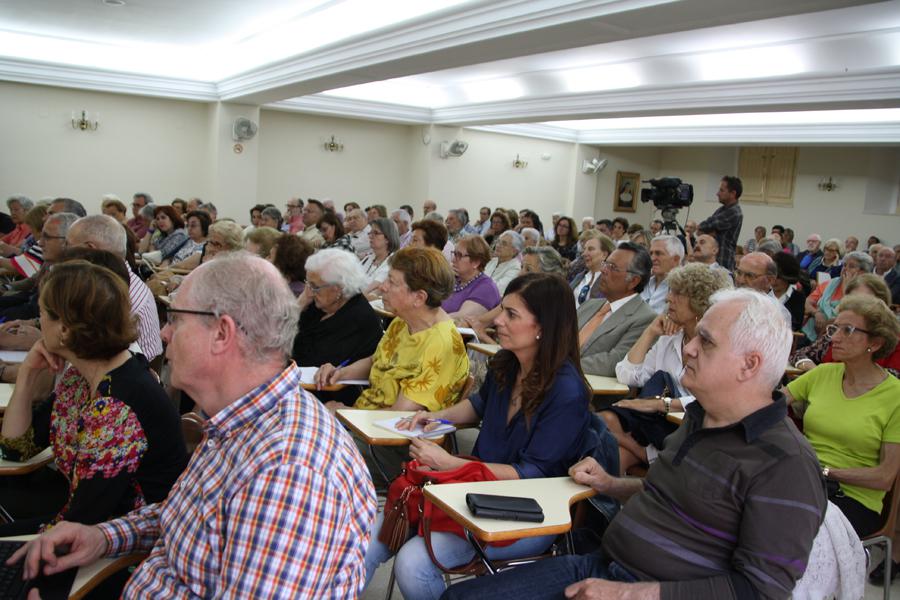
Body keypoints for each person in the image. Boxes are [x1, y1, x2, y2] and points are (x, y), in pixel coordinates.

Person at [10, 252, 377, 598]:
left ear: (221, 333)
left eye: (175, 319)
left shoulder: (287, 472)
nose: (164, 334)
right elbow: (189, 517)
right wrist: (104, 537)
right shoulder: (238, 422)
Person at [445, 289, 826, 600]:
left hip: (643, 590)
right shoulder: (701, 418)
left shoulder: (784, 464)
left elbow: (760, 591)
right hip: (604, 567)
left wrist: (631, 593)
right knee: (458, 598)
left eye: (706, 341)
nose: (689, 348)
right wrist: (611, 484)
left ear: (749, 365)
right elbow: (670, 493)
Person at [364, 273, 603, 600]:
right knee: (367, 538)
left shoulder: (566, 391)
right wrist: (436, 416)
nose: (498, 321)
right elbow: (478, 405)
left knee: (413, 564)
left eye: (511, 314)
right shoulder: (508, 364)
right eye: (502, 310)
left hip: (528, 513)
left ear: (543, 327)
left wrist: (449, 464)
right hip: (472, 493)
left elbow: (531, 475)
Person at [0, 260, 187, 535]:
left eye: (42, 315)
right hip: (86, 521)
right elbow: (16, 449)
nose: (39, 323)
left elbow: (82, 521)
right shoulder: (82, 376)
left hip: (120, 543)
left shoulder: (117, 404)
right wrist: (27, 374)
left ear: (64, 330)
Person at [315, 247, 469, 480]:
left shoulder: (441, 343)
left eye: (392, 282)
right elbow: (377, 361)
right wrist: (340, 373)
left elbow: (398, 415)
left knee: (309, 454)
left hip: (392, 445)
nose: (382, 287)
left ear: (419, 298)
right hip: (363, 425)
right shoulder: (402, 322)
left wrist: (344, 413)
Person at [785, 295, 900, 537]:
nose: (834, 338)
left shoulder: (895, 396)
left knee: (781, 521)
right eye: (834, 328)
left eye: (847, 330)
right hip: (803, 480)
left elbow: (885, 477)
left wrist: (825, 471)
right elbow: (767, 406)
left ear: (875, 343)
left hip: (853, 498)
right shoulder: (823, 373)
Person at [606, 263, 732, 472]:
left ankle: (644, 454)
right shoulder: (670, 338)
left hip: (694, 428)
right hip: (658, 425)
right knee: (605, 426)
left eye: (677, 293)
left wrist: (661, 404)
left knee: (611, 440)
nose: (667, 298)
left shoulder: (719, 346)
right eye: (670, 291)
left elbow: (720, 398)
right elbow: (627, 375)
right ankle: (642, 455)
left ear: (700, 301)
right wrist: (650, 332)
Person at [65, 215, 163, 361]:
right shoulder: (116, 282)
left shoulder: (112, 295)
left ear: (89, 249)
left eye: (68, 245)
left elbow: (89, 358)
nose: (65, 252)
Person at [292, 249, 383, 405]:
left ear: (338, 288)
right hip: (297, 387)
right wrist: (300, 302)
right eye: (307, 283)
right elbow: (276, 336)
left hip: (328, 396)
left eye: (314, 286)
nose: (309, 291)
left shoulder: (359, 318)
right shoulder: (316, 304)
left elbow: (317, 363)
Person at [790, 274, 898, 375]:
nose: (855, 305)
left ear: (882, 304)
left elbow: (891, 378)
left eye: (864, 301)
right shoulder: (837, 328)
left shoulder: (893, 339)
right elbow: (799, 354)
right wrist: (818, 372)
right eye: (850, 299)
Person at [578, 242, 656, 376]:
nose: (603, 270)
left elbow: (614, 362)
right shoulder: (590, 305)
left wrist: (560, 365)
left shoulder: (645, 318)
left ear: (634, 281)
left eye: (612, 267)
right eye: (605, 264)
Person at [465, 246, 567, 344]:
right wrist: (465, 323)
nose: (520, 274)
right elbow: (481, 321)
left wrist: (483, 337)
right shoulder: (517, 296)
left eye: (528, 270)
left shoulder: (547, 310)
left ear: (546, 276)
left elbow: (516, 354)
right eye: (522, 267)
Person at [802, 250, 874, 341]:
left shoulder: (865, 291)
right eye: (844, 265)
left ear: (862, 272)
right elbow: (807, 303)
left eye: (851, 266)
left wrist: (847, 289)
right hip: (810, 330)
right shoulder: (830, 283)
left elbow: (848, 315)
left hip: (841, 336)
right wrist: (816, 313)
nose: (845, 269)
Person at [444, 234, 500, 322]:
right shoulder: (454, 278)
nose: (453, 260)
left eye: (459, 255)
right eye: (454, 254)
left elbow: (461, 318)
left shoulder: (486, 288)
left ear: (476, 262)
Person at [698, 175, 743, 271]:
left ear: (733, 193)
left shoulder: (734, 212)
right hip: (714, 262)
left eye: (722, 190)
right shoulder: (721, 210)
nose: (717, 194)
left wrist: (709, 232)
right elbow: (701, 229)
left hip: (722, 263)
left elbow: (704, 226)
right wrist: (710, 233)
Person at [570, 230, 615, 308]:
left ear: (604, 255)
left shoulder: (610, 280)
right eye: (584, 249)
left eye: (590, 249)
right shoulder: (579, 276)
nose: (584, 254)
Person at [639, 235, 683, 314]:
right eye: (651, 253)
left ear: (675, 259)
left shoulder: (684, 289)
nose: (652, 258)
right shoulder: (643, 282)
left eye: (658, 253)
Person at [361, 217, 400, 297]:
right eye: (370, 233)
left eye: (375, 233)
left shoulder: (394, 262)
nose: (370, 236)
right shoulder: (368, 258)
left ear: (388, 238)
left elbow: (371, 288)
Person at [772, 252, 807, 331]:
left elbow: (795, 325)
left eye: (779, 277)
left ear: (788, 277)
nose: (774, 280)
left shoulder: (798, 297)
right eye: (772, 275)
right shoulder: (763, 293)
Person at [483, 230, 522, 294]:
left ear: (514, 251)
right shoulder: (493, 260)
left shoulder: (516, 268)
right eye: (498, 241)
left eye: (504, 244)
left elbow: (497, 289)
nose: (498, 245)